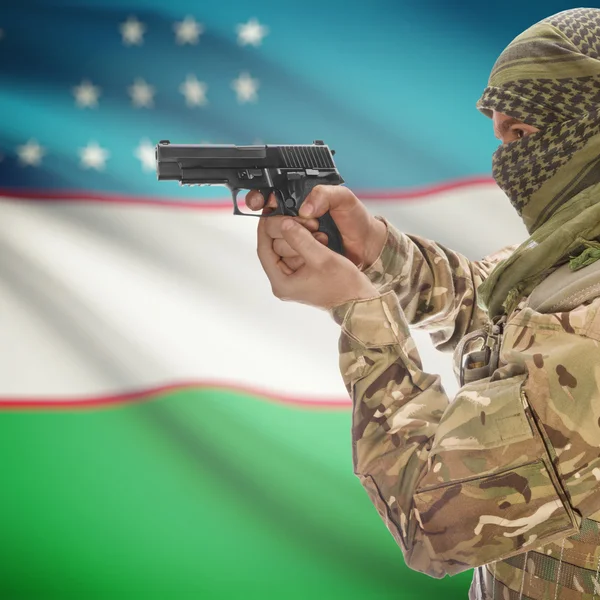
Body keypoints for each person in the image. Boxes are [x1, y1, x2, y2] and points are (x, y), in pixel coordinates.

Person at [246, 7, 600, 599]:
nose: (505, 163)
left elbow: (433, 522)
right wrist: (377, 249)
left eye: (522, 135)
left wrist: (358, 310)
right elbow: (498, 310)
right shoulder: (577, 254)